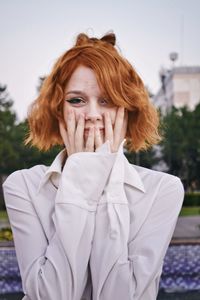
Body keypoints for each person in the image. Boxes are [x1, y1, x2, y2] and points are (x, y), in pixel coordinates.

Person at [2, 32, 184, 300]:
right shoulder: (24, 186)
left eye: (107, 100)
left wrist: (104, 172)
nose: (93, 115)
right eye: (76, 100)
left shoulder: (163, 190)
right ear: (57, 110)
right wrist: (79, 182)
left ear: (128, 109)